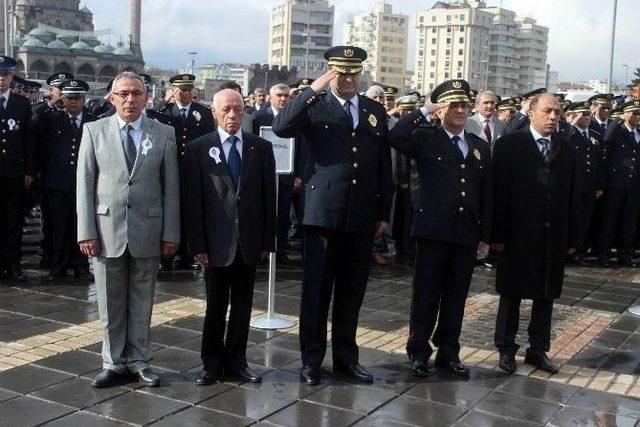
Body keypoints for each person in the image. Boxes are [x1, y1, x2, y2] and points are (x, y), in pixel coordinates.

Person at [273, 46, 393, 385]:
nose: (349, 78)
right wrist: (312, 90)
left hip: (361, 214)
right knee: (316, 292)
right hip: (322, 214)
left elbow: (382, 163)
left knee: (351, 293)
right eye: (342, 72)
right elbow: (282, 127)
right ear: (330, 72)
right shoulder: (315, 105)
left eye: (354, 72)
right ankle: (311, 360)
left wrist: (384, 211)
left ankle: (346, 359)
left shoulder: (372, 110)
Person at [77, 72, 180, 388]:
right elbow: (85, 184)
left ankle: (140, 361)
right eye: (123, 93)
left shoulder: (163, 133)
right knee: (109, 302)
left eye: (136, 93)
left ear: (147, 97)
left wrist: (171, 233)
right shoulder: (94, 131)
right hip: (106, 230)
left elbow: (171, 187)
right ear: (112, 97)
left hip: (149, 229)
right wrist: (86, 231)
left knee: (142, 300)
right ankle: (113, 362)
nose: (130, 99)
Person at [389, 80, 492, 377]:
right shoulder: (425, 137)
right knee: (426, 295)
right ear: (440, 108)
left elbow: (485, 192)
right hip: (432, 230)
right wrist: (424, 110)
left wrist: (484, 234)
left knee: (456, 297)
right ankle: (418, 351)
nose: (460, 110)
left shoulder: (479, 147)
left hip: (465, 232)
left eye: (464, 105)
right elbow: (395, 135)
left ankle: (449, 352)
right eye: (453, 104)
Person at [184, 89, 276, 385]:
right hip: (215, 243)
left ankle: (237, 361)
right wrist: (197, 245)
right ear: (214, 112)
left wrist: (267, 241)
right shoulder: (199, 148)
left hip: (249, 242)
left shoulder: (260, 148)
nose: (233, 115)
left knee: (243, 307)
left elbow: (268, 198)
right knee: (215, 306)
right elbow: (193, 201)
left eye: (238, 109)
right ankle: (211, 363)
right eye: (226, 110)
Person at [492, 93, 580, 375]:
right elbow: (498, 191)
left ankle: (538, 349)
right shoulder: (510, 145)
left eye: (558, 112)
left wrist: (573, 238)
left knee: (546, 294)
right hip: (517, 234)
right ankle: (506, 349)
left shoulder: (566, 149)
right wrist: (496, 234)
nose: (553, 117)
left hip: (552, 234)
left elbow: (573, 195)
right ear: (531, 113)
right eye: (547, 111)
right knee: (512, 293)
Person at [31, 79, 98, 280]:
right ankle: (58, 265)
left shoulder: (92, 121)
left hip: (83, 183)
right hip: (57, 182)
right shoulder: (53, 118)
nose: (73, 102)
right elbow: (33, 124)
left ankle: (81, 266)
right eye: (69, 98)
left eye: (77, 98)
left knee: (81, 226)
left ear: (84, 99)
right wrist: (52, 102)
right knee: (59, 227)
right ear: (63, 98)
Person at [157, 73, 214, 271]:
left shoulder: (203, 113)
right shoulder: (163, 111)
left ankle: (188, 254)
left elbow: (208, 142)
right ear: (174, 91)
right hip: (168, 169)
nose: (187, 93)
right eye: (182, 89)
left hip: (192, 170)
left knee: (190, 212)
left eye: (189, 89)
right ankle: (166, 257)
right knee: (169, 212)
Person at [253, 83, 297, 264]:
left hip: (286, 175)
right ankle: (263, 249)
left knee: (284, 215)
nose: (283, 99)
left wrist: (298, 174)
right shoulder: (259, 118)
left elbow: (300, 147)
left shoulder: (295, 117)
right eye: (279, 95)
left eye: (286, 96)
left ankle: (281, 251)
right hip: (264, 175)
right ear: (270, 97)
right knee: (263, 213)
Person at [0, 56, 34, 282]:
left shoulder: (21, 105)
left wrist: (30, 171)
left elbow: (28, 142)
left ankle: (12, 263)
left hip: (13, 176)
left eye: (5, 75)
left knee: (14, 221)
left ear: (11, 77)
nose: (1, 79)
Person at [597, 100, 640, 267]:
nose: (637, 117)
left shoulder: (638, 132)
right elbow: (606, 138)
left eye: (639, 114)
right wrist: (619, 119)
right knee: (610, 220)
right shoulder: (619, 131)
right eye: (634, 113)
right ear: (627, 114)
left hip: (634, 184)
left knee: (629, 222)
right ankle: (604, 254)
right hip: (617, 184)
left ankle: (625, 255)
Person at [564, 101, 603, 265]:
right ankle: (567, 250)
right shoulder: (569, 133)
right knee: (571, 218)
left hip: (590, 185)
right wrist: (572, 124)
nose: (586, 118)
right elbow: (561, 142)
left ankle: (578, 251)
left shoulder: (594, 134)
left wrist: (600, 185)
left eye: (588, 114)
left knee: (585, 219)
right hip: (573, 185)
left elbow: (599, 161)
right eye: (583, 114)